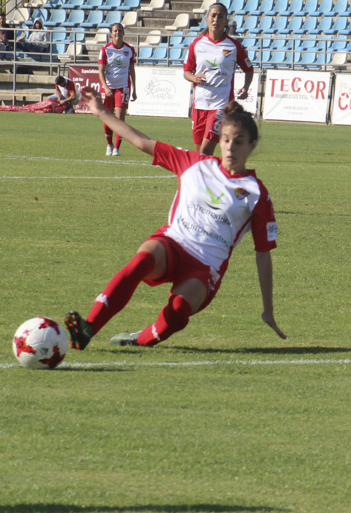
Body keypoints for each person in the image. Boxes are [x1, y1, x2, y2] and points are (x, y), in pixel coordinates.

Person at [64, 90, 285, 351]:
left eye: (239, 142)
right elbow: (140, 141)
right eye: (225, 140)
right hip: (173, 243)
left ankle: (141, 338)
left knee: (178, 310)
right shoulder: (194, 163)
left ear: (252, 145)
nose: (230, 147)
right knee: (141, 261)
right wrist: (102, 112)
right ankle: (88, 327)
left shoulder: (257, 194)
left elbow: (263, 254)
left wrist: (268, 310)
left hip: (205, 266)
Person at [183, 3, 254, 155]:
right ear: (206, 19)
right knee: (200, 154)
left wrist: (245, 88)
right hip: (200, 104)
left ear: (226, 21)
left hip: (222, 105)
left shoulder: (234, 46)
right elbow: (186, 72)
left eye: (220, 16)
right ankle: (211, 177)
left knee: (205, 150)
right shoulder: (196, 44)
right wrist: (194, 78)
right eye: (213, 15)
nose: (216, 19)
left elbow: (249, 69)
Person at [98, 23, 138, 156]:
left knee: (120, 118)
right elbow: (101, 70)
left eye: (120, 30)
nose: (117, 33)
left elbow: (132, 70)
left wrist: (134, 89)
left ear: (123, 33)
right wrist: (105, 86)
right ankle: (109, 144)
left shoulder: (129, 49)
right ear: (111, 34)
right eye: (115, 31)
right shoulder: (105, 49)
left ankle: (117, 148)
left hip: (123, 86)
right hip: (109, 87)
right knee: (108, 117)